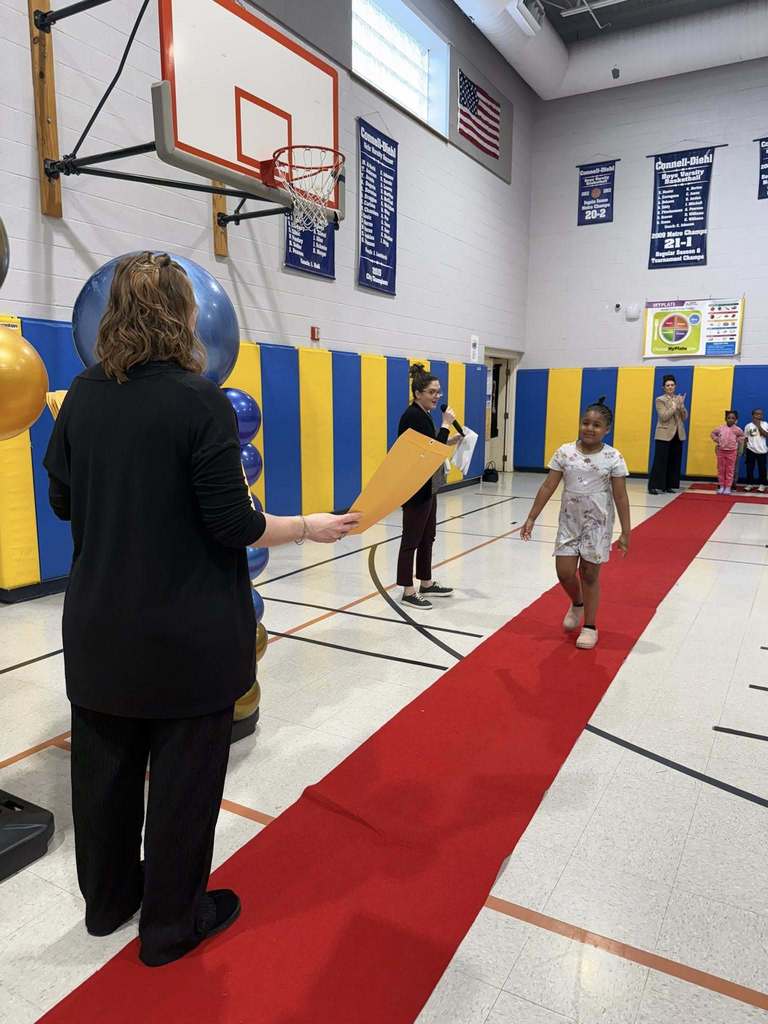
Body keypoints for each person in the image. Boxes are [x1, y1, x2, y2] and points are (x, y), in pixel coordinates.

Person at [43, 252, 360, 968]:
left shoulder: (82, 397)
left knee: (105, 779)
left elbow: (63, 500)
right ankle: (171, 926)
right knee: (184, 786)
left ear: (113, 316)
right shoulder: (199, 400)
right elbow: (233, 526)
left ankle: (110, 903)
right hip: (186, 635)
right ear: (184, 317)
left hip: (97, 629)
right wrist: (308, 525)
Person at [521, 397, 630, 650]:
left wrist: (626, 531)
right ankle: (577, 603)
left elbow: (621, 496)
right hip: (570, 521)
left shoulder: (613, 457)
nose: (590, 428)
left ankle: (590, 626)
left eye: (597, 425)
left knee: (590, 574)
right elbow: (549, 485)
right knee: (565, 572)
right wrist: (531, 517)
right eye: (586, 423)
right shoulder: (565, 452)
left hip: (598, 523)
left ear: (607, 429)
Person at [396, 364, 461, 609]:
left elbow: (430, 444)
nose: (437, 396)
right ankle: (408, 590)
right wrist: (445, 425)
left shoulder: (423, 415)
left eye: (439, 392)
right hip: (415, 488)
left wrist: (450, 438)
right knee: (412, 538)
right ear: (418, 393)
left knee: (427, 536)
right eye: (433, 392)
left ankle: (425, 581)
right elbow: (431, 453)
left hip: (428, 486)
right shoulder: (412, 416)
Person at [648, 374, 688, 495]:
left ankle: (668, 485)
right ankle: (653, 486)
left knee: (673, 461)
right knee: (660, 461)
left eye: (672, 385)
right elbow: (664, 416)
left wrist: (681, 406)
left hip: (678, 434)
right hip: (664, 434)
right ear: (663, 387)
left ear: (675, 386)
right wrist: (674, 406)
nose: (670, 387)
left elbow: (684, 417)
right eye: (667, 385)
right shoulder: (660, 400)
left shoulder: (678, 398)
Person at [711, 410, 745, 495]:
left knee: (730, 470)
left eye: (733, 418)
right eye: (728, 418)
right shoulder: (720, 428)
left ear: (736, 420)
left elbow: (743, 436)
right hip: (721, 451)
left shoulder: (737, 429)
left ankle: (728, 487)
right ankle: (721, 486)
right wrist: (717, 440)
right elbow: (713, 433)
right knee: (721, 469)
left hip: (732, 452)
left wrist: (736, 440)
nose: (730, 420)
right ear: (725, 419)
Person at [742, 408, 768, 492]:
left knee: (762, 468)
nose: (758, 415)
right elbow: (746, 438)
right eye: (756, 414)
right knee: (749, 468)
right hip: (750, 449)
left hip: (762, 450)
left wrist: (758, 426)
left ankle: (762, 484)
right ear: (752, 415)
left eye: (760, 414)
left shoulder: (765, 424)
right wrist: (744, 450)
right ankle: (750, 484)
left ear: (762, 415)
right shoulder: (748, 426)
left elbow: (766, 435)